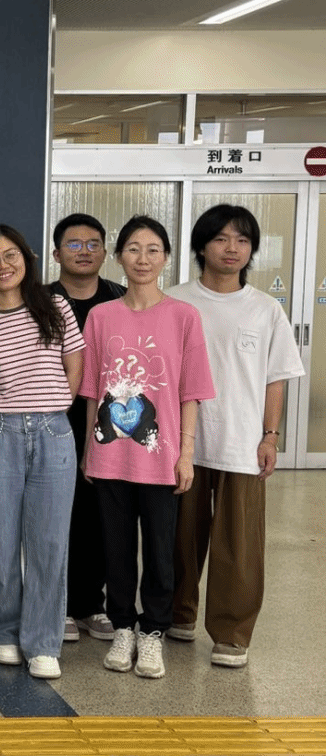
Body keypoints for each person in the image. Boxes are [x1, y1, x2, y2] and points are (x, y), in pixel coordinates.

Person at [80, 215, 215, 680]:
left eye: (153, 249)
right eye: (133, 249)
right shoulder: (101, 316)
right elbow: (92, 392)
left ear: (166, 258)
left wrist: (186, 453)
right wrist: (88, 448)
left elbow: (191, 391)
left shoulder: (184, 316)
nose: (143, 258)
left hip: (161, 455)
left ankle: (153, 631)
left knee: (160, 549)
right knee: (115, 549)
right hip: (110, 454)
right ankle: (123, 627)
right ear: (119, 257)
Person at [166, 205, 301, 669]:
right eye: (221, 239)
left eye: (242, 240)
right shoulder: (175, 302)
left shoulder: (265, 309)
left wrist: (270, 436)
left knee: (239, 546)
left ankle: (231, 633)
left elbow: (275, 378)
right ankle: (178, 613)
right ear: (201, 246)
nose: (232, 248)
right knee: (179, 537)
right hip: (183, 442)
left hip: (241, 442)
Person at [0, 223, 83, 680]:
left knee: (50, 542)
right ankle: (2, 632)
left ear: (27, 258)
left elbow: (75, 365)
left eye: (10, 254)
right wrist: (1, 406)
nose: (3, 265)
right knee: (0, 538)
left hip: (54, 431)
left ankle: (44, 641)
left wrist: (53, 405)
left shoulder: (55, 306)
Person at [49, 213, 124, 644]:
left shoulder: (120, 299)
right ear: (56, 253)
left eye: (93, 244)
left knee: (100, 513)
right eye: (74, 244)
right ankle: (57, 604)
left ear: (105, 252)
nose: (84, 251)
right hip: (53, 417)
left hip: (112, 421)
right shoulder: (40, 301)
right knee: (55, 513)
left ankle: (92, 603)